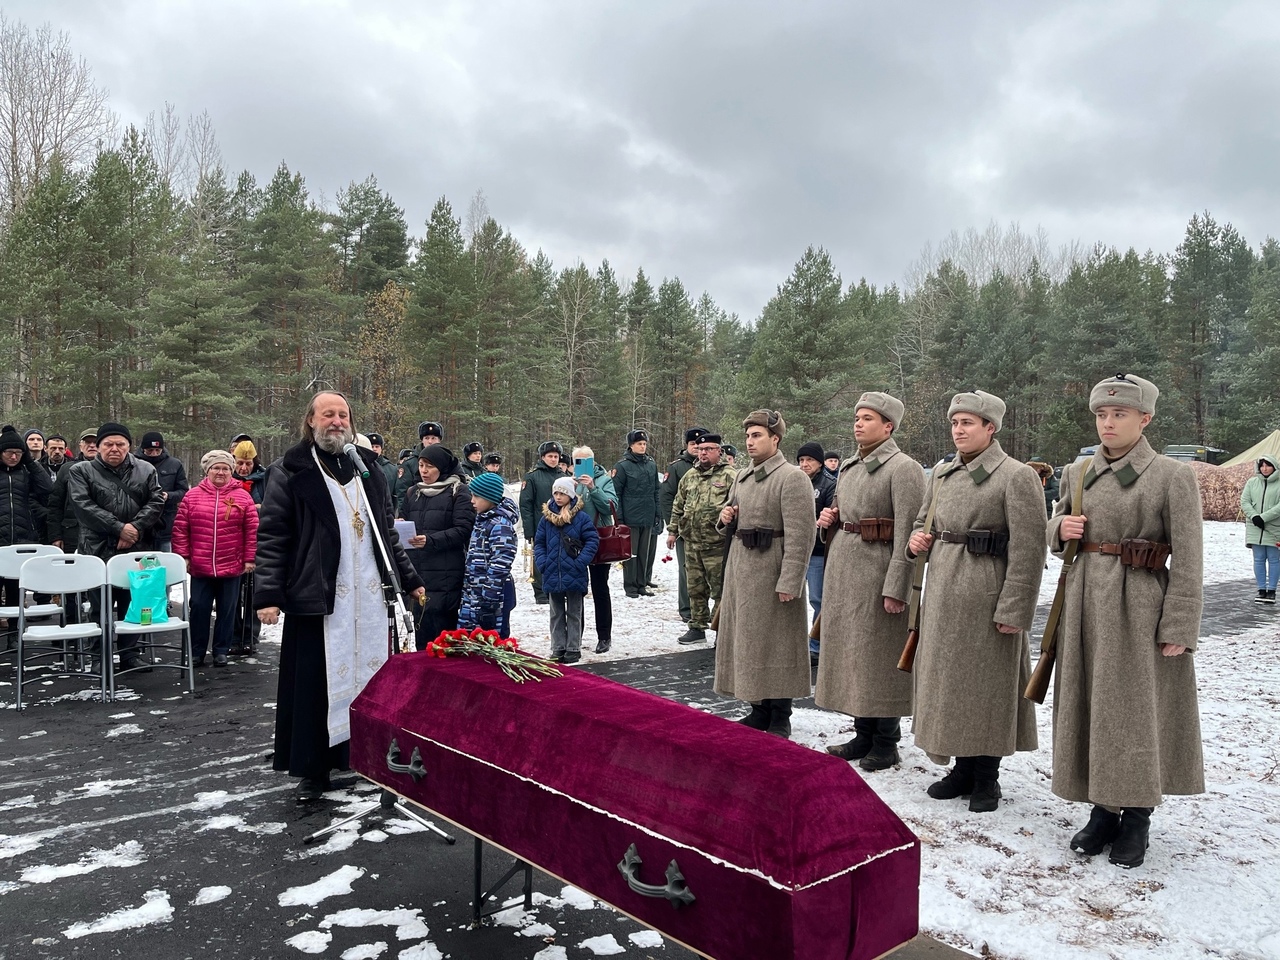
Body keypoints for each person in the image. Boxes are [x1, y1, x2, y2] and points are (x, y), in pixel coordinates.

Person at [1050, 373, 1204, 868]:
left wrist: (1179, 627)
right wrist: (1060, 529)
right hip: (1083, 605)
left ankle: (1135, 817)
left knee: (1135, 714)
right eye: (1101, 415)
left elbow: (1191, 559)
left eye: (1119, 415)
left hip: (1139, 608)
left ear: (1145, 419)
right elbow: (1056, 528)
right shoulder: (1077, 473)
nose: (1108, 423)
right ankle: (1101, 812)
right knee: (1091, 706)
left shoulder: (1170, 476)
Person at [255, 391, 424, 802]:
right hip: (319, 594)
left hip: (369, 594)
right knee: (317, 683)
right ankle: (314, 768)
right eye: (327, 414)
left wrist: (410, 578)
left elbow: (386, 532)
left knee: (370, 678)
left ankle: (363, 755)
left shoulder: (366, 467)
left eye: (342, 414)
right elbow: (274, 534)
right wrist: (268, 595)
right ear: (310, 421)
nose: (336, 421)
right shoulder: (291, 469)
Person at [906, 390, 1047, 813]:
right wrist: (917, 541)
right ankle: (962, 768)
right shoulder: (942, 474)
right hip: (945, 589)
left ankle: (987, 777)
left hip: (988, 594)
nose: (959, 430)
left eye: (968, 423)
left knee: (987, 688)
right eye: (954, 423)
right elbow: (922, 519)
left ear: (991, 428)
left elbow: (1029, 549)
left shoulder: (1016, 476)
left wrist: (1015, 609)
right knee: (952, 685)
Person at [814, 393, 925, 771]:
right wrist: (831, 519)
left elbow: (909, 530)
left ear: (888, 426)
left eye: (868, 418)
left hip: (879, 571)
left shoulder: (903, 468)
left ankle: (885, 740)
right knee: (854, 654)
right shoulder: (850, 466)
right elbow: (848, 513)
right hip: (846, 570)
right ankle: (862, 732)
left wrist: (898, 585)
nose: (858, 424)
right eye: (857, 417)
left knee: (879, 657)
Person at [714, 410, 816, 737]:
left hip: (773, 571)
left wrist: (791, 580)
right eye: (748, 436)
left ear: (775, 438)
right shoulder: (742, 476)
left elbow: (802, 535)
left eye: (757, 435)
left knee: (777, 645)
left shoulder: (792, 477)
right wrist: (726, 517)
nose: (750, 441)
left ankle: (780, 715)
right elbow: (729, 522)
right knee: (748, 644)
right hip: (742, 571)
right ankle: (758, 709)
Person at [67, 422, 167, 673]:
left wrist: (134, 528)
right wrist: (119, 528)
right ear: (97, 447)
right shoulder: (81, 471)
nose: (114, 448)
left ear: (129, 446)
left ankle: (130, 653)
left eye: (120, 444)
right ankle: (98, 656)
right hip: (96, 547)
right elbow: (83, 505)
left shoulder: (145, 469)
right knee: (99, 605)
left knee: (132, 601)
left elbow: (156, 501)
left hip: (135, 546)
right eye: (108, 444)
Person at [171, 450, 258, 667]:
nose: (221, 472)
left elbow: (252, 530)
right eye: (216, 468)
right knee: (199, 607)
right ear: (207, 471)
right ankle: (197, 651)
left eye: (225, 468)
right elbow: (181, 528)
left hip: (232, 563)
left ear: (232, 471)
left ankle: (221, 649)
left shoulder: (242, 496)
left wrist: (250, 558)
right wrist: (184, 556)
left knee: (228, 609)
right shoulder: (192, 496)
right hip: (201, 565)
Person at [398, 444, 476, 647]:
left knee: (444, 637)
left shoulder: (458, 492)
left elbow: (463, 530)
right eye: (421, 465)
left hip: (446, 573)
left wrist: (430, 540)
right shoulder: (413, 492)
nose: (423, 471)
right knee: (421, 632)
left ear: (441, 468)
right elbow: (403, 518)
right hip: (418, 572)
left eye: (429, 466)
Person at [667, 433, 735, 644]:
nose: (703, 452)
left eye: (709, 449)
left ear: (719, 451)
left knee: (720, 590)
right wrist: (672, 530)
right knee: (695, 589)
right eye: (700, 449)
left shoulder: (730, 475)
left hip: (718, 544)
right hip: (692, 542)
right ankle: (697, 627)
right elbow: (679, 503)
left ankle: (720, 630)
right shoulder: (690, 475)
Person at [534, 476, 599, 664]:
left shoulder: (581, 518)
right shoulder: (546, 519)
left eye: (562, 493)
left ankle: (573, 647)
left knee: (574, 611)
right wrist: (543, 562)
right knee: (556, 613)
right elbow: (539, 543)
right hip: (552, 571)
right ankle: (558, 647)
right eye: (556, 493)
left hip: (575, 571)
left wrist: (581, 562)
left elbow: (592, 541)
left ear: (570, 494)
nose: (558, 497)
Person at [570, 445, 618, 653]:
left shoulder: (604, 479)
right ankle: (574, 635)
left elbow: (610, 507)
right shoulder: (569, 481)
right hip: (574, 542)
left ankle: (604, 636)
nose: (581, 466)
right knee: (575, 590)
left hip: (599, 540)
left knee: (600, 589)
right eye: (577, 462)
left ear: (593, 462)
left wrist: (592, 488)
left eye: (585, 462)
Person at [459, 471, 519, 637]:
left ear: (490, 498)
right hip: (474, 594)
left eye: (476, 497)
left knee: (492, 641)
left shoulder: (500, 525)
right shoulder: (482, 521)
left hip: (492, 598)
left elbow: (500, 563)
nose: (472, 501)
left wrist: (489, 600)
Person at [0, 427, 53, 607]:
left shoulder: (27, 471)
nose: (14, 457)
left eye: (19, 453)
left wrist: (30, 462)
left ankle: (16, 630)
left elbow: (47, 488)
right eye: (9, 452)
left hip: (22, 537)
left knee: (15, 588)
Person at [659, 427, 707, 624]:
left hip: (709, 531)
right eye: (693, 444)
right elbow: (667, 497)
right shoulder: (677, 467)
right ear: (687, 445)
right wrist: (674, 526)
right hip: (685, 530)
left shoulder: (713, 466)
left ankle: (705, 609)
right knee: (687, 569)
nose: (697, 448)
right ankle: (687, 609)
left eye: (700, 444)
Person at [796, 440, 836, 663]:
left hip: (819, 552)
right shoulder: (796, 482)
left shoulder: (830, 484)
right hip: (797, 550)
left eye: (809, 460)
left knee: (818, 599)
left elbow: (831, 515)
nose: (804, 464)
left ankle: (817, 645)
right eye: (801, 460)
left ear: (820, 462)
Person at [614, 430, 660, 599]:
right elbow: (616, 493)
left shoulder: (651, 464)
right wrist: (619, 517)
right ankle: (630, 585)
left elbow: (656, 490)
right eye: (639, 444)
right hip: (630, 515)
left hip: (647, 513)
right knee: (631, 553)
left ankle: (642, 583)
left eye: (644, 444)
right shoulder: (622, 466)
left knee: (644, 552)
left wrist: (658, 513)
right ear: (631, 445)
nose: (642, 447)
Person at [519, 441, 564, 604]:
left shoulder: (563, 477)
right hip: (540, 525)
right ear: (542, 457)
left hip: (561, 525)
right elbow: (526, 504)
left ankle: (557, 588)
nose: (553, 459)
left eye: (556, 456)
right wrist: (529, 529)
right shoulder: (532, 476)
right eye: (550, 456)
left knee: (559, 558)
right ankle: (541, 591)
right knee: (541, 560)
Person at [46, 430, 98, 554]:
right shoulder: (67, 469)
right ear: (80, 446)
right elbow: (55, 505)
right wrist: (56, 536)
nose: (91, 445)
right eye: (87, 442)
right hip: (71, 533)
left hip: (102, 533)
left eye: (95, 442)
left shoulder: (111, 470)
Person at [138, 432, 189, 552]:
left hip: (166, 523)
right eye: (150, 450)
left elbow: (183, 491)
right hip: (140, 523)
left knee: (165, 562)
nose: (154, 454)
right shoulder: (133, 463)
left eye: (157, 450)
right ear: (143, 449)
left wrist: (169, 496)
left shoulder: (175, 464)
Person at [1241, 455, 1280, 603]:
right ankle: (1261, 589)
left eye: (1268, 465)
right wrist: (1254, 516)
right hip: (1255, 526)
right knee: (1258, 559)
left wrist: (1264, 517)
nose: (1264, 468)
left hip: (1274, 527)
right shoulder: (1252, 482)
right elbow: (1245, 501)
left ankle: (1272, 590)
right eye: (1262, 465)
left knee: (1274, 559)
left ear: (1274, 467)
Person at [392, 420, 446, 510]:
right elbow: (402, 492)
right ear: (422, 440)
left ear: (439, 440)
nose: (430, 442)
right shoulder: (410, 463)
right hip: (417, 508)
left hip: (442, 508)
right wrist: (403, 514)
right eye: (427, 438)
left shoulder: (447, 460)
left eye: (433, 438)